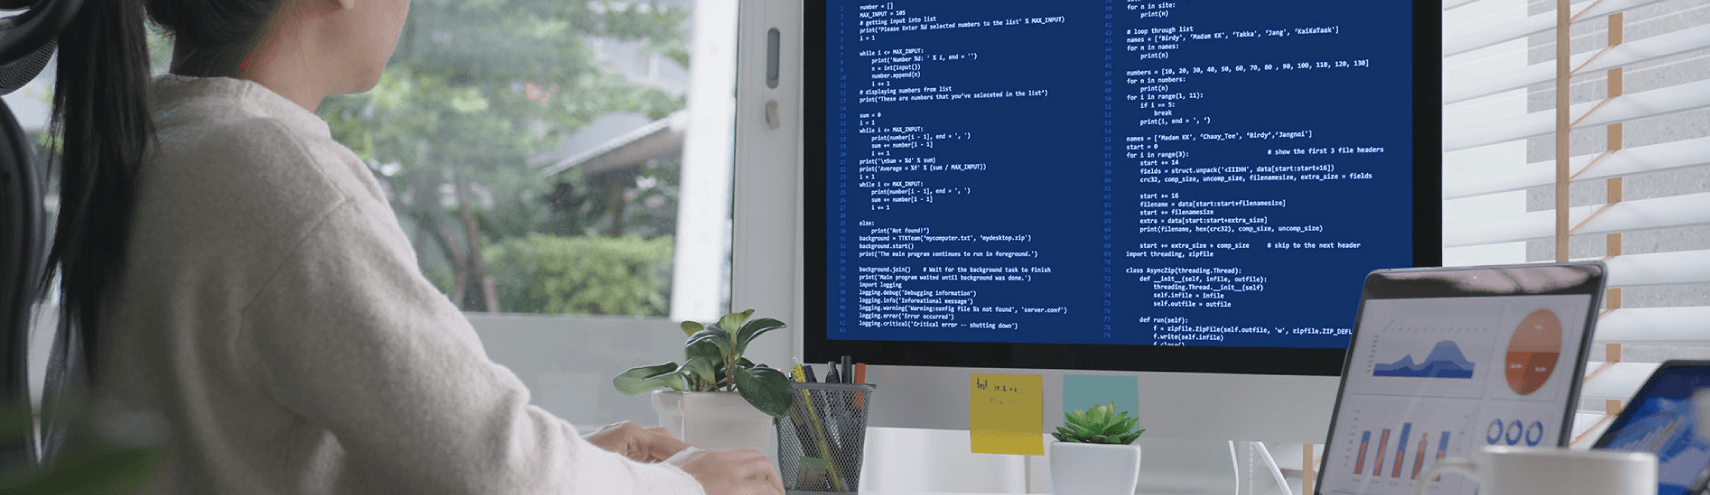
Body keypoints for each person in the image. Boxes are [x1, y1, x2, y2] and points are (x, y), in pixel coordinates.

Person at [47, 0, 783, 493]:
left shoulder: (158, 141)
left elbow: (282, 443)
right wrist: (689, 484)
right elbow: (490, 466)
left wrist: (584, 458)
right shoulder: (276, 175)